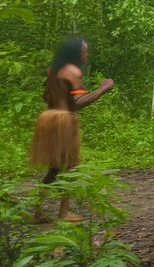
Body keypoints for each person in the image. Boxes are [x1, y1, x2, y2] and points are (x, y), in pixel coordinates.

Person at [30, 35, 114, 222]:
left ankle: (38, 211)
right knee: (68, 167)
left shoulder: (53, 69)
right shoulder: (72, 71)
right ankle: (63, 213)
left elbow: (47, 95)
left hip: (48, 118)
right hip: (63, 121)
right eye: (85, 52)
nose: (87, 55)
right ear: (77, 54)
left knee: (55, 168)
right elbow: (78, 102)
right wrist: (102, 88)